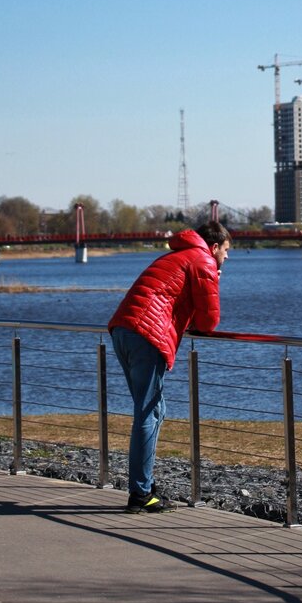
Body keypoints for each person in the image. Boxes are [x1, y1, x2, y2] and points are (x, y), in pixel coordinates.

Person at [108, 220, 230, 513]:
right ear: (213, 247)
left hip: (123, 331)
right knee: (148, 412)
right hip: (145, 335)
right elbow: (208, 322)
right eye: (226, 250)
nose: (227, 257)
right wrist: (215, 278)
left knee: (154, 409)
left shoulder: (179, 254)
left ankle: (144, 485)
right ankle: (139, 494)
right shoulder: (202, 260)